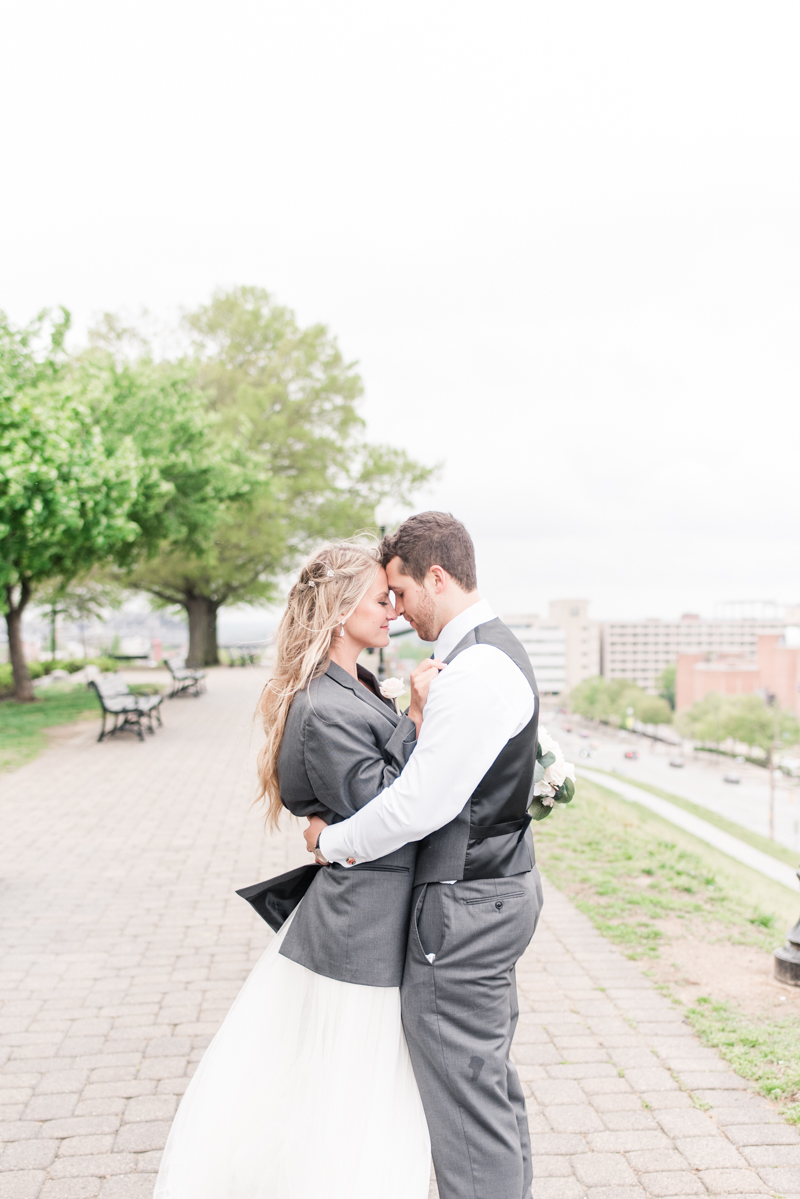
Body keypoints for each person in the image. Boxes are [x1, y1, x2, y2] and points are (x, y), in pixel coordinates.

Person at [154, 541, 438, 1199]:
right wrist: (419, 716)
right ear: (340, 611)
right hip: (358, 931)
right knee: (348, 1089)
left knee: (353, 1088)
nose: (393, 607)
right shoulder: (321, 704)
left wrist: (330, 832)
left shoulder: (357, 684)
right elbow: (384, 806)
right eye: (379, 597)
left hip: (367, 914)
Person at [305, 512, 543, 1199]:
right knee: (487, 1083)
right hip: (497, 890)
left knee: (466, 1100)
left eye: (402, 591)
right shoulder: (497, 652)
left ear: (436, 576)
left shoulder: (475, 671)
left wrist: (332, 844)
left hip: (465, 906)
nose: (399, 611)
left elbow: (418, 805)